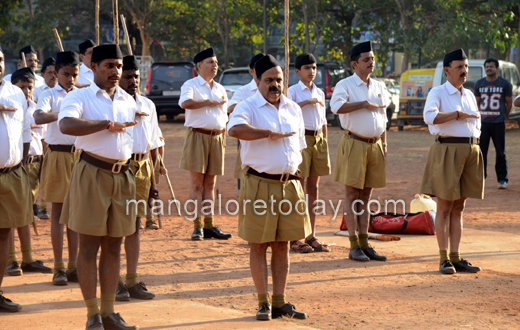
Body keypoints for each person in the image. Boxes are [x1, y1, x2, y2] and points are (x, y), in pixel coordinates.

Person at [58, 43, 139, 330]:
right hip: (91, 172)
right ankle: (92, 314)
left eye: (118, 66)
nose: (115, 71)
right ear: (93, 67)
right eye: (109, 66)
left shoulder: (128, 100)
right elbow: (66, 125)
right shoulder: (81, 96)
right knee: (88, 247)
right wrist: (104, 124)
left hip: (123, 176)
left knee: (115, 245)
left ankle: (109, 313)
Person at [228, 54, 310, 321]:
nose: (275, 85)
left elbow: (299, 149)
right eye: (269, 80)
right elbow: (235, 129)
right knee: (259, 245)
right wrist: (266, 133)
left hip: (289, 185)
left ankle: (280, 301)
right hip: (259, 184)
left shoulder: (293, 109)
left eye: (279, 80)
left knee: (283, 245)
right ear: (257, 79)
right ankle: (263, 302)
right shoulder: (248, 105)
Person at [421, 48, 483, 275]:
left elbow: (476, 121)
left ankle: (456, 257)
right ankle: (443, 258)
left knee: (459, 206)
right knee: (445, 207)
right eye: (459, 67)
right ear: (447, 71)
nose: (464, 71)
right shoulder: (437, 92)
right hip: (447, 150)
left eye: (466, 67)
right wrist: (456, 115)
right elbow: (429, 117)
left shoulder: (468, 94)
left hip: (469, 151)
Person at [330, 41, 388, 262]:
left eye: (372, 58)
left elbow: (383, 118)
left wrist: (384, 144)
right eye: (366, 59)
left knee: (366, 196)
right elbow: (336, 107)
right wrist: (362, 104)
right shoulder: (345, 85)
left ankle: (365, 244)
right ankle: (353, 245)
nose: (371, 62)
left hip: (375, 145)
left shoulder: (379, 87)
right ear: (354, 63)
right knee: (352, 195)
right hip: (354, 143)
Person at [115, 55, 160, 302]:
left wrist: (153, 183)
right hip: (120, 167)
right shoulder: (113, 104)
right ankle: (115, 282)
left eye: (136, 77)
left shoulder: (148, 105)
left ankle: (131, 281)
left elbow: (152, 146)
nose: (133, 81)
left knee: (134, 226)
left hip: (142, 167)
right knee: (115, 228)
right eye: (128, 76)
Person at [34, 51, 81, 286]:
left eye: (74, 74)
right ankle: (59, 267)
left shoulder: (83, 94)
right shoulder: (48, 94)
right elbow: (38, 116)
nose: (70, 79)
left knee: (76, 214)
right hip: (57, 155)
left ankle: (74, 265)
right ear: (55, 73)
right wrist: (63, 114)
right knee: (58, 213)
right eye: (65, 74)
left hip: (81, 158)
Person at [178, 47, 232, 241]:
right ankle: (197, 226)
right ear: (199, 65)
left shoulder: (220, 89)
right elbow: (185, 103)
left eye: (216, 62)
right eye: (211, 62)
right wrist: (207, 102)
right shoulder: (191, 84)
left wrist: (223, 143)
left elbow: (223, 119)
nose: (215, 65)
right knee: (197, 184)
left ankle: (209, 225)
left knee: (211, 184)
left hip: (217, 138)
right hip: (198, 137)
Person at [6, 67, 53, 277]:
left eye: (29, 87)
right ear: (13, 87)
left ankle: (28, 258)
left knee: (25, 214)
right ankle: (11, 260)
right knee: (8, 218)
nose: (26, 91)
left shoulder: (36, 110)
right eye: (21, 87)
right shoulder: (9, 106)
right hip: (13, 166)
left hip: (33, 165)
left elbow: (40, 140)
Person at [0, 46, 33, 313]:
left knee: (3, 235)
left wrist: (19, 165)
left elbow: (24, 132)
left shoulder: (15, 93)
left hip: (11, 174)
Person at [287, 53, 331, 253]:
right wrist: (308, 102)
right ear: (297, 71)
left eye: (314, 68)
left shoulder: (320, 92)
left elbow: (323, 121)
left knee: (313, 189)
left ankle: (310, 234)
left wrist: (325, 141)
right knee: (298, 187)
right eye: (307, 68)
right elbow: (288, 112)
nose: (311, 72)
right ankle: (295, 237)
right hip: (302, 140)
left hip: (319, 139)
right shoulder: (293, 91)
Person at [227, 53, 264, 190]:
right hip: (251, 143)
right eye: (259, 67)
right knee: (249, 186)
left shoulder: (276, 90)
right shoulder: (244, 91)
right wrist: (252, 105)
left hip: (271, 144)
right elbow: (230, 108)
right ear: (251, 71)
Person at [474, 58, 512, 189]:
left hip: (498, 123)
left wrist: (503, 117)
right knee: (481, 152)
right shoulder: (479, 83)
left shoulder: (504, 84)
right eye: (487, 66)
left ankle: (502, 179)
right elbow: (476, 104)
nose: (489, 68)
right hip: (483, 123)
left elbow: (509, 103)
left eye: (491, 66)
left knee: (500, 152)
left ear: (497, 68)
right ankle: (480, 179)